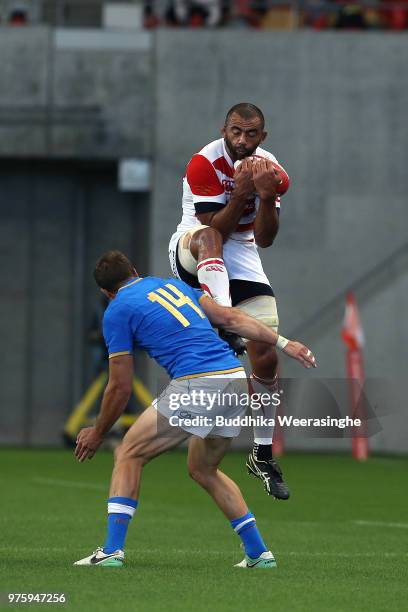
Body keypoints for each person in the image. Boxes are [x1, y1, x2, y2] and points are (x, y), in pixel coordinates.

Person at [74, 250, 316, 568]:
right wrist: (284, 343)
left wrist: (98, 431)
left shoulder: (117, 310)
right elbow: (232, 319)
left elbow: (119, 386)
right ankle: (259, 554)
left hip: (200, 384)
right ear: (134, 270)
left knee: (129, 453)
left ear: (106, 292)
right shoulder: (174, 286)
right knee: (203, 469)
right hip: (234, 380)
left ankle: (111, 551)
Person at [168, 102, 292, 499]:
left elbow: (266, 238)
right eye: (235, 131)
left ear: (262, 137)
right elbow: (214, 227)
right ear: (224, 129)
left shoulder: (270, 168)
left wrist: (268, 197)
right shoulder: (204, 162)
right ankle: (223, 320)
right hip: (194, 245)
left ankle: (261, 451)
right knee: (211, 238)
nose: (241, 140)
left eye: (250, 134)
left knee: (267, 353)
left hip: (241, 250)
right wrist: (240, 194)